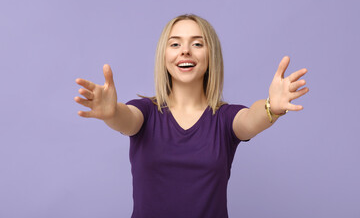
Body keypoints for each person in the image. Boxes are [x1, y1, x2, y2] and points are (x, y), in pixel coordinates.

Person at [74, 14, 309, 218]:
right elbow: (126, 118)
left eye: (197, 43)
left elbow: (251, 118)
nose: (185, 50)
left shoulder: (225, 119)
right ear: (163, 56)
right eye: (175, 44)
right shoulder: (145, 112)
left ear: (211, 55)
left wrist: (272, 107)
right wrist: (112, 113)